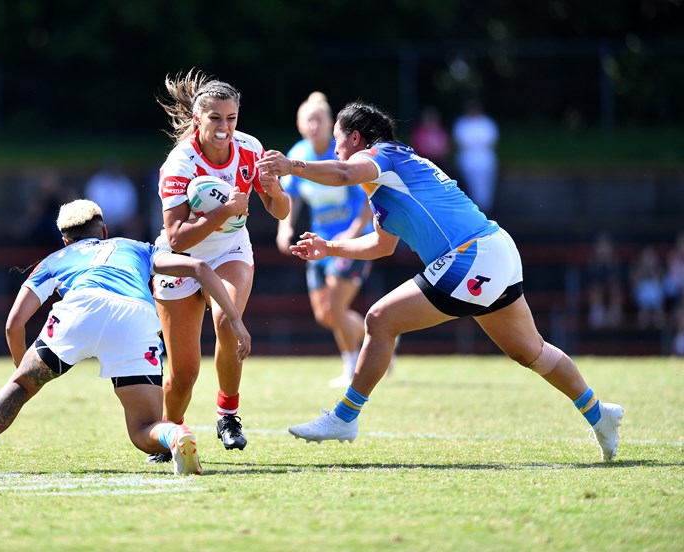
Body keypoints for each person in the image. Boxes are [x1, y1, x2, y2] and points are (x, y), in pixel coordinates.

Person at [257, 100, 625, 462]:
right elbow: (382, 246)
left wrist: (292, 166)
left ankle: (344, 417)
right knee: (531, 352)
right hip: (493, 250)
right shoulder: (387, 180)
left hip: (473, 255)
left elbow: (341, 173)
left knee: (379, 320)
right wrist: (329, 247)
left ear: (355, 138)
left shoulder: (384, 155)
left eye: (338, 141)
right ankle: (599, 414)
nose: (335, 149)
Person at [0, 199, 251, 477]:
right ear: (104, 230)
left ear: (65, 240)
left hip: (81, 307)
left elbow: (13, 324)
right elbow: (198, 267)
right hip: (135, 317)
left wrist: (24, 374)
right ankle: (175, 435)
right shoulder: (136, 248)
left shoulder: (55, 259)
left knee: (18, 388)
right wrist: (234, 320)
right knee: (143, 428)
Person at [148, 69, 289, 462]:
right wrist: (225, 210)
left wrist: (275, 190)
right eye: (215, 118)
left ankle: (228, 415)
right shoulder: (180, 163)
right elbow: (177, 238)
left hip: (230, 250)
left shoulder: (250, 149)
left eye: (232, 118)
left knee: (227, 320)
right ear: (198, 119)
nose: (225, 128)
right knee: (183, 374)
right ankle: (170, 430)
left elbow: (280, 211)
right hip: (181, 260)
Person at [276, 92, 374, 387]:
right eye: (309, 120)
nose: (314, 125)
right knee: (325, 315)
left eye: (319, 120)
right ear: (299, 125)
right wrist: (284, 227)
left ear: (331, 123)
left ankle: (351, 368)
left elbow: (368, 198)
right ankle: (380, 335)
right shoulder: (298, 154)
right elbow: (290, 196)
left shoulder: (342, 153)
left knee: (335, 307)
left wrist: (353, 233)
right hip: (318, 242)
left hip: (351, 242)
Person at [452, 99, 499, 214]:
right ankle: (475, 210)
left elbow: (491, 141)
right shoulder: (462, 123)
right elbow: (462, 143)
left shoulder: (487, 123)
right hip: (469, 160)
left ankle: (486, 209)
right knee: (471, 186)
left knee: (486, 187)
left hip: (486, 160)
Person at [84, 157, 143, 239]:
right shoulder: (96, 182)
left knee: (135, 225)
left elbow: (131, 206)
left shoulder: (125, 182)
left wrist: (122, 220)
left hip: (123, 221)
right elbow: (91, 205)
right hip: (101, 220)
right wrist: (105, 221)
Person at [585, 232, 624, 330]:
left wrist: (609, 265)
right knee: (595, 288)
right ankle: (597, 314)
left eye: (606, 246)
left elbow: (618, 280)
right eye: (601, 246)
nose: (603, 249)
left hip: (611, 293)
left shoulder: (615, 262)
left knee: (615, 288)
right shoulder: (592, 262)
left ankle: (614, 314)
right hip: (597, 293)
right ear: (596, 248)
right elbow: (590, 280)